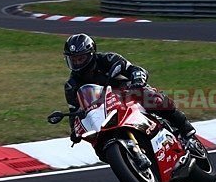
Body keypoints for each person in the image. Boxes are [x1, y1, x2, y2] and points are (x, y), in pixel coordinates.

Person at [63, 33, 196, 143]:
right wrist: (74, 130)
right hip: (102, 112)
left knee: (154, 99)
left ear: (91, 54)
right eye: (73, 60)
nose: (77, 63)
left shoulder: (108, 59)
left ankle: (186, 130)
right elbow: (74, 111)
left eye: (80, 59)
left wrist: (138, 79)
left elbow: (134, 69)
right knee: (95, 140)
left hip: (127, 94)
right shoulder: (71, 85)